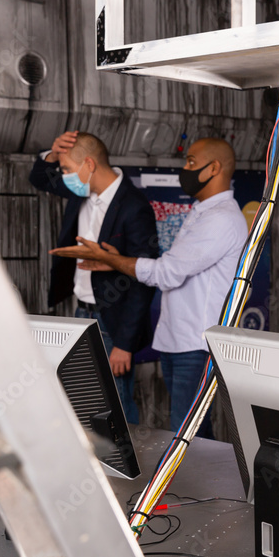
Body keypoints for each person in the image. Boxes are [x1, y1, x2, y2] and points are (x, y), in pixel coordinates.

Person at [51, 138, 247, 435]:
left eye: (191, 162)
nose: (185, 168)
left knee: (188, 433)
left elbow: (167, 272)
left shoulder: (221, 219)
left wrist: (110, 260)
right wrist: (116, 261)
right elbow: (170, 265)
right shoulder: (202, 211)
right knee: (187, 430)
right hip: (178, 340)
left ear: (214, 168)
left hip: (197, 343)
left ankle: (202, 482)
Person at [29, 131, 158, 424]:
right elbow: (38, 179)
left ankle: (130, 469)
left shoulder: (134, 206)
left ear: (89, 164)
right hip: (80, 314)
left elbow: (144, 278)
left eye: (66, 170)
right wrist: (51, 155)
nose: (63, 176)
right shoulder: (81, 191)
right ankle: (97, 465)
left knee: (117, 406)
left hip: (112, 322)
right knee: (83, 402)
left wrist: (125, 344)